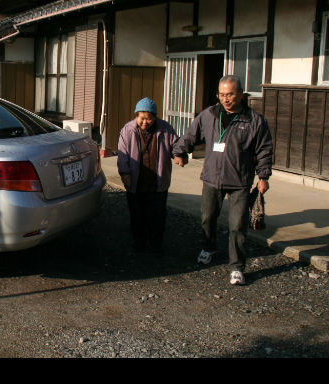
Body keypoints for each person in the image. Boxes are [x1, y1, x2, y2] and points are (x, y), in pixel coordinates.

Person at [173, 75, 273, 285]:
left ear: (241, 94)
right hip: (211, 177)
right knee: (208, 218)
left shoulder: (254, 120)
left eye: (230, 94)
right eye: (222, 94)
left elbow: (264, 150)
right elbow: (192, 134)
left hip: (240, 180)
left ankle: (237, 266)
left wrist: (263, 176)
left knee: (237, 225)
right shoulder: (209, 115)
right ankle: (208, 248)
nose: (226, 99)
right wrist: (180, 151)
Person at [117, 97, 179, 255]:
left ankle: (156, 245)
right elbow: (123, 155)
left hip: (158, 182)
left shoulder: (165, 129)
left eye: (149, 118)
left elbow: (176, 145)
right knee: (137, 216)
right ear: (136, 116)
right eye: (142, 118)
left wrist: (179, 154)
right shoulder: (128, 130)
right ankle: (139, 243)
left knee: (158, 216)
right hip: (136, 182)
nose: (145, 122)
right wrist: (125, 174)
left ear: (155, 117)